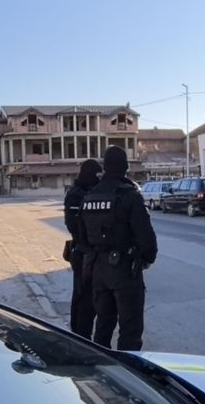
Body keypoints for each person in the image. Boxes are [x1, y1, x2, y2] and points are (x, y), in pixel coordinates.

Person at [79, 146, 157, 351]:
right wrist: (146, 259)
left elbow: (82, 238)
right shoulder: (129, 195)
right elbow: (147, 238)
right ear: (125, 168)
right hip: (124, 269)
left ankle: (100, 365)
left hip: (97, 269)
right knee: (130, 330)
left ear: (105, 167)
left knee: (103, 325)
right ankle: (126, 369)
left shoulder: (90, 196)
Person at [64, 159, 102, 339]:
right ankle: (79, 339)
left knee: (95, 301)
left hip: (94, 255)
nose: (98, 179)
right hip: (82, 254)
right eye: (96, 175)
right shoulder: (76, 194)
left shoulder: (92, 192)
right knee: (82, 300)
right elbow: (73, 226)